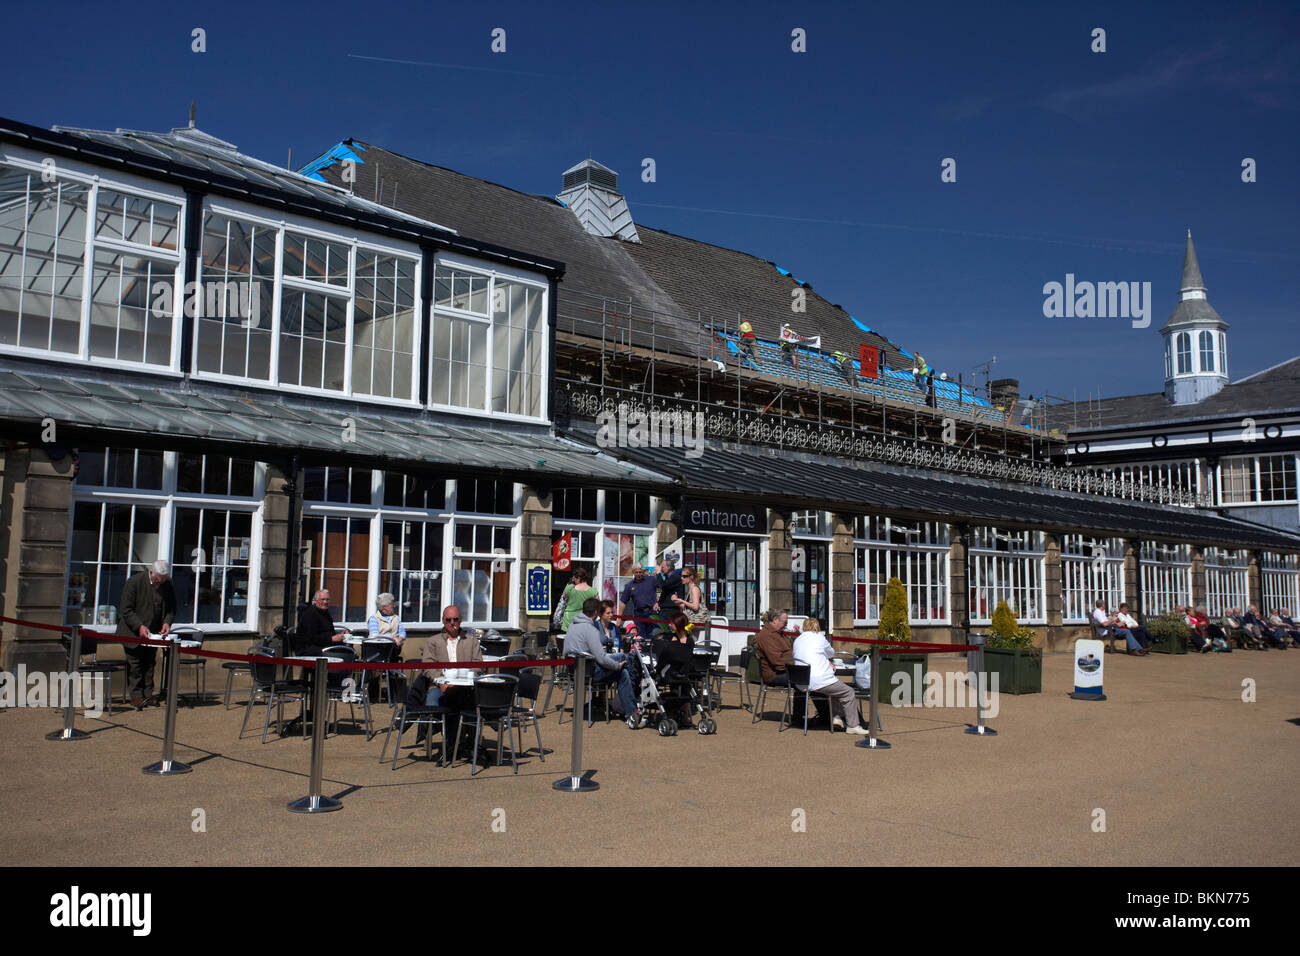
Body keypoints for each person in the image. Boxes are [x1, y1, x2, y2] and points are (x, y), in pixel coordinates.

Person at [564, 596, 639, 724]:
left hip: (574, 672)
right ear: (596, 613)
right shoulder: (591, 630)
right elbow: (601, 658)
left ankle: (631, 713)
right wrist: (616, 666)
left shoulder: (572, 626)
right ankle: (635, 698)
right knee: (624, 659)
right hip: (589, 673)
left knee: (623, 673)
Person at [792, 619, 869, 735]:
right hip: (819, 680)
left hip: (801, 682)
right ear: (817, 627)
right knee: (848, 692)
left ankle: (836, 718)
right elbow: (831, 653)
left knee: (834, 690)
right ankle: (853, 725)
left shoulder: (797, 640)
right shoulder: (819, 638)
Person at [116, 559, 176, 710]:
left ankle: (148, 694)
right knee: (135, 664)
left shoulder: (167, 584)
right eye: (157, 580)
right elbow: (126, 610)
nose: (159, 584)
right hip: (132, 631)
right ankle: (136, 696)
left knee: (150, 663)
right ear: (152, 573)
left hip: (153, 632)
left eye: (162, 581)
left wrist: (167, 622)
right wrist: (139, 626)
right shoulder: (134, 582)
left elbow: (171, 608)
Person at [752, 609, 822, 721]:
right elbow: (778, 663)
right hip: (774, 675)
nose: (786, 624)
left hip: (787, 669)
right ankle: (800, 718)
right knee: (806, 679)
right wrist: (797, 664)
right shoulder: (766, 636)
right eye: (784, 622)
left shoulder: (780, 634)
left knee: (816, 678)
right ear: (775, 620)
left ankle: (823, 715)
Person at [295, 589, 345, 655]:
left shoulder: (325, 614)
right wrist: (330, 639)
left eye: (327, 600)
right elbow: (309, 638)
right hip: (308, 649)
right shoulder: (310, 615)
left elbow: (329, 632)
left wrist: (340, 635)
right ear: (315, 601)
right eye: (322, 599)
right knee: (344, 655)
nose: (325, 602)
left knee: (348, 650)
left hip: (323, 646)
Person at [670, 566, 710, 641]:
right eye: (681, 576)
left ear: (691, 577)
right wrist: (676, 601)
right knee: (686, 641)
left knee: (687, 642)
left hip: (695, 622)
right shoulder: (689, 589)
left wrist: (682, 601)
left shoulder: (694, 589)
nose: (682, 578)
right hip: (691, 622)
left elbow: (695, 607)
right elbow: (687, 607)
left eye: (684, 576)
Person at [619, 564, 659, 634]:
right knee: (641, 637)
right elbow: (623, 602)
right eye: (636, 572)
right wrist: (619, 618)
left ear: (642, 571)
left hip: (652, 612)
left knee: (653, 635)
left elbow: (664, 588)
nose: (638, 574)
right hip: (639, 614)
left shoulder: (651, 580)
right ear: (633, 573)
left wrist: (658, 602)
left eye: (640, 572)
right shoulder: (629, 586)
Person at [559, 567, 598, 633]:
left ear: (579, 578)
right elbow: (597, 606)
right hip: (585, 619)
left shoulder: (570, 588)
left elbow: (563, 598)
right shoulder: (593, 591)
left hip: (569, 620)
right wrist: (593, 618)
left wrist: (570, 583)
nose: (574, 580)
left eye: (574, 578)